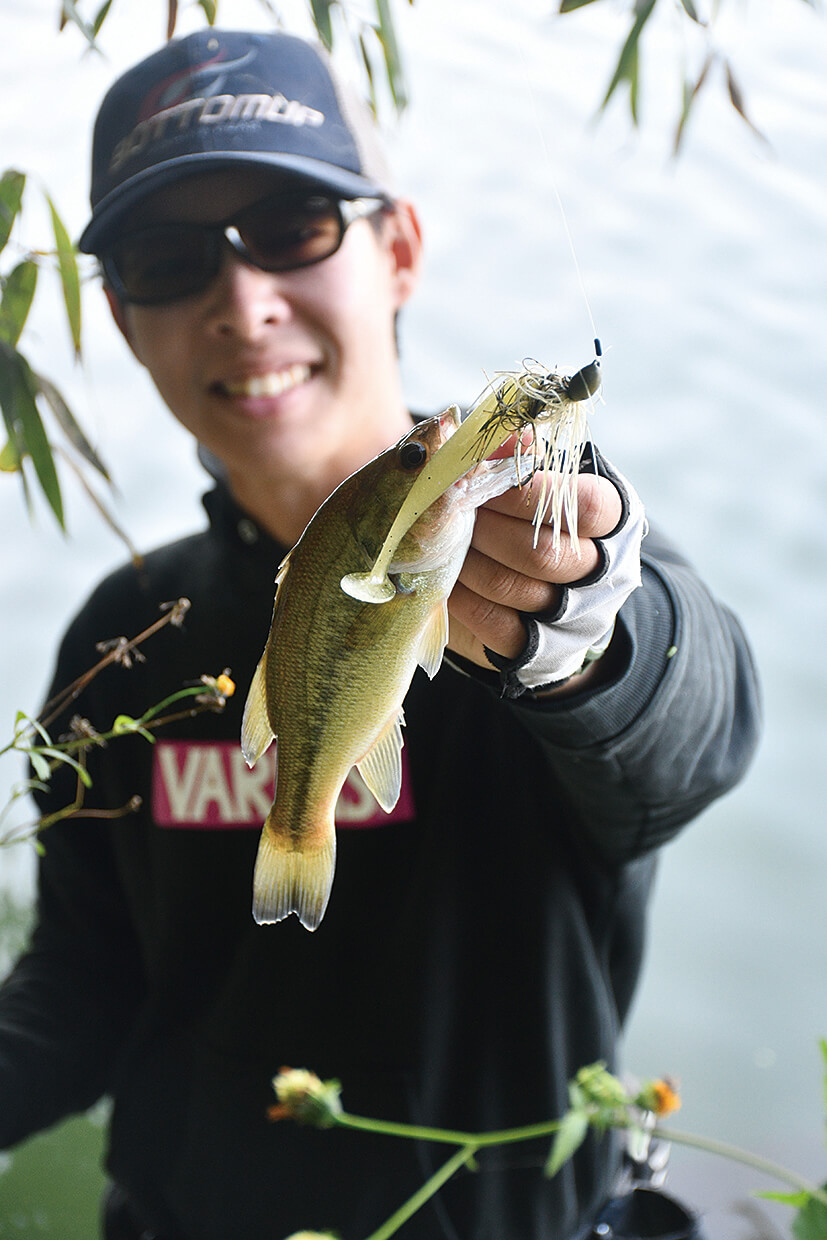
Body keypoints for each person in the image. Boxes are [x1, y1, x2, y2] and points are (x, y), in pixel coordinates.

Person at [0, 27, 760, 1240]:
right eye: (166, 257)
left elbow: (692, 736)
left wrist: (584, 640)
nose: (242, 303)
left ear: (398, 249)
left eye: (293, 228)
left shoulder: (537, 541)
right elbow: (83, 980)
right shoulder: (126, 632)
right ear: (124, 317)